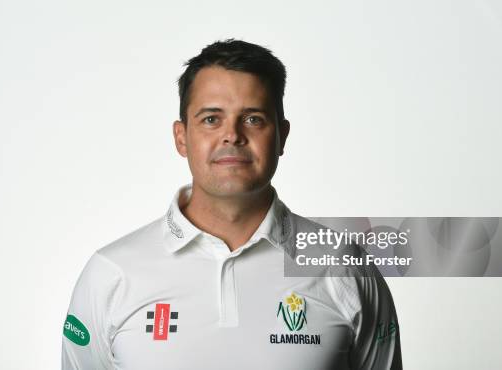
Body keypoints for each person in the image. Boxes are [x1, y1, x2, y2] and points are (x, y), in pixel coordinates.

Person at [61, 38, 402, 370]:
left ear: (282, 135)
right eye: (211, 119)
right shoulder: (112, 274)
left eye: (253, 118)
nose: (232, 135)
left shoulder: (344, 267)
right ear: (181, 137)